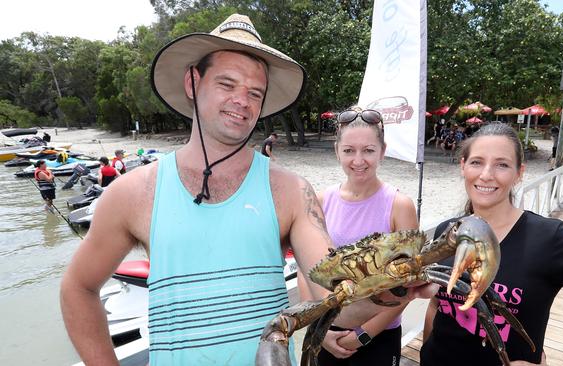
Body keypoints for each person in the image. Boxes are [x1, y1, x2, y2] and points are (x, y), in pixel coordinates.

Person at [60, 14, 387, 365]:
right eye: (227, 84)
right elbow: (78, 288)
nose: (241, 101)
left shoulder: (291, 191)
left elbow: (335, 301)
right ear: (192, 82)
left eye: (254, 92)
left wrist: (396, 287)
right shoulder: (133, 193)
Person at [419, 123, 563, 366]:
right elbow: (437, 305)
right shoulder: (449, 230)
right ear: (463, 166)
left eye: (502, 165)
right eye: (476, 162)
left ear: (519, 173)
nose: (486, 174)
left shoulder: (550, 238)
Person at [296, 107, 419, 365]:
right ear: (336, 150)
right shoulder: (320, 201)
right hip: (326, 330)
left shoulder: (400, 206)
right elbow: (306, 270)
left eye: (369, 150)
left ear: (383, 151)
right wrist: (318, 328)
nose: (358, 160)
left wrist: (362, 335)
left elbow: (410, 285)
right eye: (349, 150)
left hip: (380, 334)